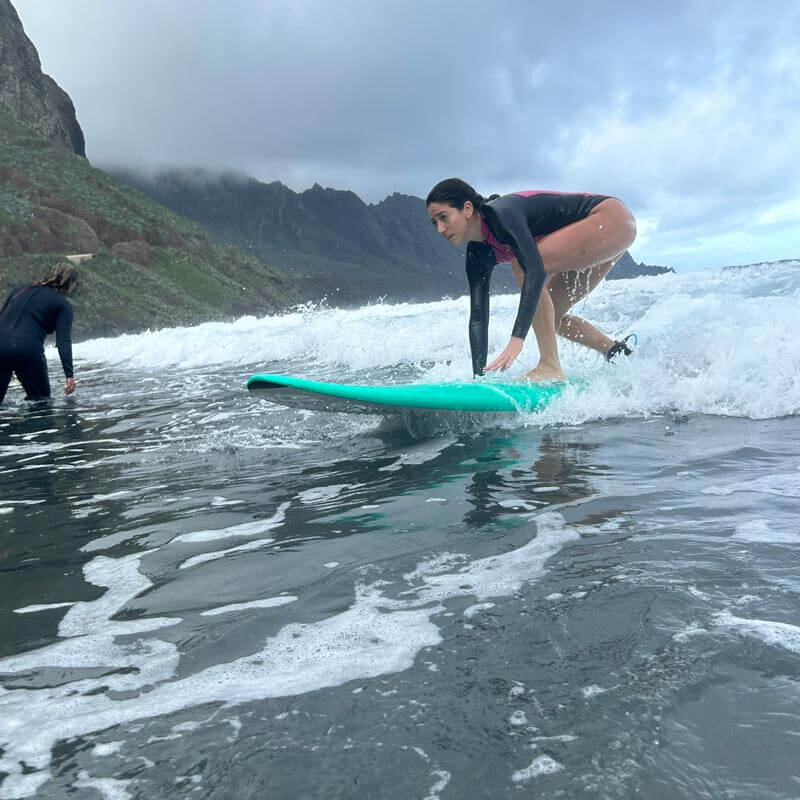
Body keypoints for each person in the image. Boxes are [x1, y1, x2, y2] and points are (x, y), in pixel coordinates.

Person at [426, 178, 637, 381]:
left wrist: (517, 339)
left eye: (444, 217)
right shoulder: (477, 254)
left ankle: (550, 366)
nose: (440, 229)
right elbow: (479, 316)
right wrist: (478, 378)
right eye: (435, 222)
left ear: (468, 209)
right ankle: (616, 351)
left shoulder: (501, 213)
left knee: (523, 265)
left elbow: (534, 270)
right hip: (606, 232)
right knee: (550, 315)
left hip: (609, 218)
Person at [0, 261, 78, 404]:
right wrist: (69, 375)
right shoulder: (62, 304)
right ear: (70, 283)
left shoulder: (22, 288)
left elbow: (2, 316)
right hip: (27, 350)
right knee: (41, 403)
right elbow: (63, 341)